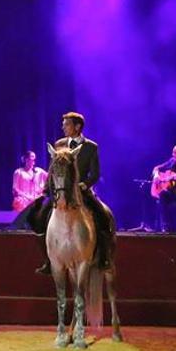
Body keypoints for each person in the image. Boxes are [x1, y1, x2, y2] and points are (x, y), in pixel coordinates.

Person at [31, 111, 115, 275]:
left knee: (103, 216)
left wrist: (84, 185)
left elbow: (95, 173)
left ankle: (104, 257)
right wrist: (46, 189)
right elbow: (53, 170)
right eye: (63, 124)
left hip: (81, 192)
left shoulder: (91, 147)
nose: (63, 127)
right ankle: (48, 260)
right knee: (39, 218)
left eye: (66, 124)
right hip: (61, 192)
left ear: (77, 127)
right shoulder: (59, 144)